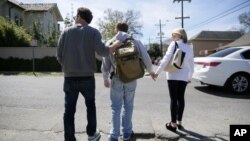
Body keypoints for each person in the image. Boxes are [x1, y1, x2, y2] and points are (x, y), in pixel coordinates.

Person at [57, 7, 121, 141]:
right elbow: (103, 52)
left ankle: (69, 138)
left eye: (76, 16)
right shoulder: (94, 32)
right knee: (90, 105)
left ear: (80, 16)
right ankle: (92, 134)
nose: (75, 18)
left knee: (69, 110)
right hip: (87, 78)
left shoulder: (65, 32)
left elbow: (59, 55)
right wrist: (114, 46)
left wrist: (68, 66)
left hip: (69, 77)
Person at [101, 22, 155, 141]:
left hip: (116, 77)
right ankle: (126, 133)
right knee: (128, 105)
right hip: (132, 78)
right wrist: (151, 71)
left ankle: (114, 135)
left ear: (116, 29)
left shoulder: (111, 42)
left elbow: (105, 63)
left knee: (116, 107)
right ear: (127, 29)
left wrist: (105, 78)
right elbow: (146, 57)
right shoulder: (135, 41)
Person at [154, 28, 194, 132]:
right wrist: (190, 77)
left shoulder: (174, 44)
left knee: (174, 99)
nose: (172, 37)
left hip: (173, 75)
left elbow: (166, 59)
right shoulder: (190, 47)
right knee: (181, 98)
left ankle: (173, 124)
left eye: (174, 35)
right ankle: (179, 122)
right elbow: (191, 64)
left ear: (180, 35)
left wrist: (157, 72)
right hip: (184, 76)